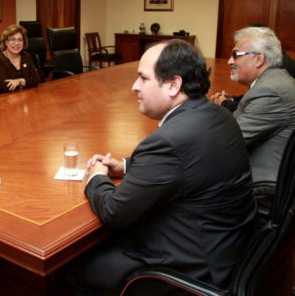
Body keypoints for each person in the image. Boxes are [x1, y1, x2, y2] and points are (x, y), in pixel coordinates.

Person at [67, 40, 258, 295]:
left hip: (191, 268)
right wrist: (123, 166)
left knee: (72, 265)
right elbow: (187, 164)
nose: (134, 87)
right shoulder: (217, 114)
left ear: (173, 85)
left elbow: (114, 212)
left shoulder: (169, 140)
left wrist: (97, 178)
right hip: (230, 251)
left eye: (143, 78)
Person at [211, 26, 295, 208]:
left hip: (262, 187)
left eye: (236, 55)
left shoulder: (269, 91)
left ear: (258, 59)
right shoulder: (274, 81)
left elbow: (228, 141)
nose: (229, 61)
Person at [0, 24, 40, 94]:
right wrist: (26, 82)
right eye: (12, 39)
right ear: (6, 41)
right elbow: (5, 87)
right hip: (2, 100)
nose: (16, 43)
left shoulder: (26, 56)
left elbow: (36, 80)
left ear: (23, 42)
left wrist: (18, 81)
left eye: (20, 40)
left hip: (24, 96)